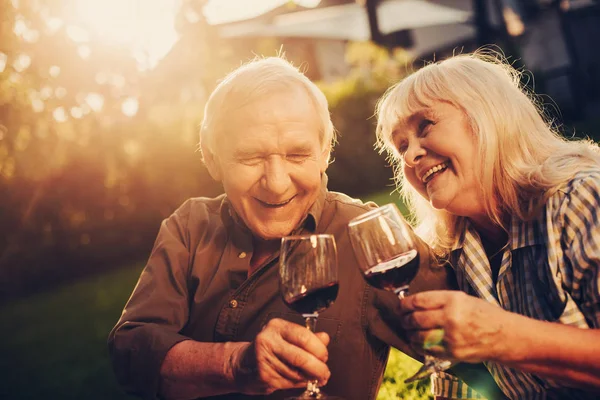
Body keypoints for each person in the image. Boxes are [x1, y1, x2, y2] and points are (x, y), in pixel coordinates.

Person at [107, 56, 468, 400]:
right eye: (250, 157)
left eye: (297, 155)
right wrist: (236, 365)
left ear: (326, 150)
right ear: (211, 157)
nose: (277, 184)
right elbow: (131, 351)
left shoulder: (367, 235)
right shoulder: (190, 227)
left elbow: (472, 351)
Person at [375, 50, 600, 399]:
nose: (410, 155)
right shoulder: (454, 252)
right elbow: (457, 383)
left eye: (425, 126)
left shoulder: (581, 197)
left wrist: (500, 335)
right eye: (401, 145)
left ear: (488, 118)